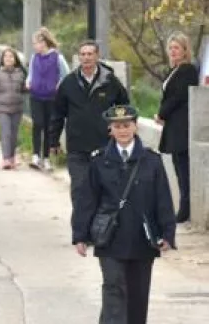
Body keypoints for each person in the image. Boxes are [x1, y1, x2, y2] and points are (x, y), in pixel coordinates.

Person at [72, 105, 176, 324]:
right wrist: (80, 235)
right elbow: (86, 201)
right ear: (110, 129)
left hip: (142, 238)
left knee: (138, 296)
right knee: (114, 289)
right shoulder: (99, 161)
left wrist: (167, 233)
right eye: (117, 126)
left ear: (135, 127)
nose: (123, 131)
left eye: (126, 125)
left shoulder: (151, 161)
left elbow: (163, 200)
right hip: (110, 237)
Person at [49, 40, 130, 206]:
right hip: (77, 148)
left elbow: (125, 108)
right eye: (83, 54)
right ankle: (81, 231)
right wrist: (53, 141)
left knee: (104, 193)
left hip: (104, 147)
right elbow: (57, 114)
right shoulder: (68, 83)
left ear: (97, 56)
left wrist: (121, 131)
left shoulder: (110, 82)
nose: (86, 58)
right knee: (80, 193)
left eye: (90, 54)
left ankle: (101, 230)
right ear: (79, 57)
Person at [155, 32, 199, 224]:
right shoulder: (173, 70)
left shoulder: (188, 70)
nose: (173, 51)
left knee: (184, 169)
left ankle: (185, 209)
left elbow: (178, 97)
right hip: (173, 127)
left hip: (182, 127)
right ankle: (183, 207)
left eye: (177, 48)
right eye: (171, 48)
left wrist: (161, 114)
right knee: (178, 169)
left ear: (185, 50)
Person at [27, 27, 69, 170]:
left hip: (51, 97)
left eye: (36, 43)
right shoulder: (34, 57)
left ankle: (46, 157)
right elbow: (31, 73)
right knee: (37, 124)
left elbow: (65, 75)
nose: (35, 46)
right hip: (36, 95)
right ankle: (35, 155)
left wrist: (59, 85)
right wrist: (29, 81)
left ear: (44, 42)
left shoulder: (58, 57)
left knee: (48, 127)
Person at [0, 48, 28, 169]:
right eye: (6, 57)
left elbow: (23, 89)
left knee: (14, 134)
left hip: (17, 108)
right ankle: (6, 159)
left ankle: (12, 157)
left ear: (15, 60)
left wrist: (31, 87)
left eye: (11, 57)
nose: (8, 59)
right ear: (2, 60)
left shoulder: (20, 74)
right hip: (2, 108)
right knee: (6, 133)